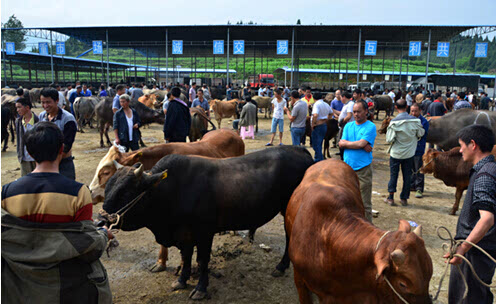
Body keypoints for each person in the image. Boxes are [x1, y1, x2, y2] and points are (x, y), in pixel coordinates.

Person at [1, 122, 112, 304]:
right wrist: (103, 235)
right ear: (62, 149)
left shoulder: (6, 192)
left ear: (28, 151)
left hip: (20, 285)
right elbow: (85, 246)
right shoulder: (79, 192)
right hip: (66, 285)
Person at [446, 124, 496, 304]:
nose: (460, 150)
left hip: (475, 254)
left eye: (461, 145)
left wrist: (463, 248)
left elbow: (487, 219)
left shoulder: (484, 175)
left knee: (469, 298)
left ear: (473, 145)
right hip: (478, 249)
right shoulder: (489, 169)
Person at [339, 100, 377, 222]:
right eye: (354, 112)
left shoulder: (371, 126)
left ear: (366, 111)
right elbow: (341, 143)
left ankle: (368, 229)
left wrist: (350, 144)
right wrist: (360, 145)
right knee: (347, 200)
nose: (356, 114)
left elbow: (354, 143)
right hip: (347, 169)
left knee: (364, 203)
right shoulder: (348, 126)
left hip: (362, 170)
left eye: (359, 112)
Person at [385, 99, 425, 207]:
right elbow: (421, 133)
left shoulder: (394, 122)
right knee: (407, 176)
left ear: (396, 107)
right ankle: (404, 198)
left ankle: (391, 197)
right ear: (407, 107)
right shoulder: (415, 121)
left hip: (396, 154)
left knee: (394, 175)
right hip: (409, 154)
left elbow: (389, 139)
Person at [39, 88, 77, 180]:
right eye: (43, 102)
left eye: (48, 102)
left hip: (63, 162)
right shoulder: (42, 116)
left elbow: (66, 145)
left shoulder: (68, 119)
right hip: (46, 161)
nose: (45, 105)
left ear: (57, 101)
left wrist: (53, 164)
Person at [15, 97, 39, 176]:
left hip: (37, 158)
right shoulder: (18, 122)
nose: (17, 110)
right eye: (16, 108)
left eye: (19, 107)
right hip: (24, 158)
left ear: (27, 107)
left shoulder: (38, 121)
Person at [409, 103, 429, 198]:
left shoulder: (424, 122)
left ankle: (419, 188)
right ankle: (411, 185)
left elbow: (421, 134)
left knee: (419, 169)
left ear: (420, 111)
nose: (413, 113)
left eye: (415, 111)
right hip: (409, 149)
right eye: (412, 111)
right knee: (410, 168)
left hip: (418, 149)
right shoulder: (408, 120)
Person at [311, 92, 332, 162]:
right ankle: (318, 158)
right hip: (323, 125)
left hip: (318, 126)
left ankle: (318, 159)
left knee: (316, 144)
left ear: (314, 98)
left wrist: (314, 123)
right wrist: (326, 119)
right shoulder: (326, 104)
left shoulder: (316, 104)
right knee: (319, 143)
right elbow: (331, 113)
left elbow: (315, 115)